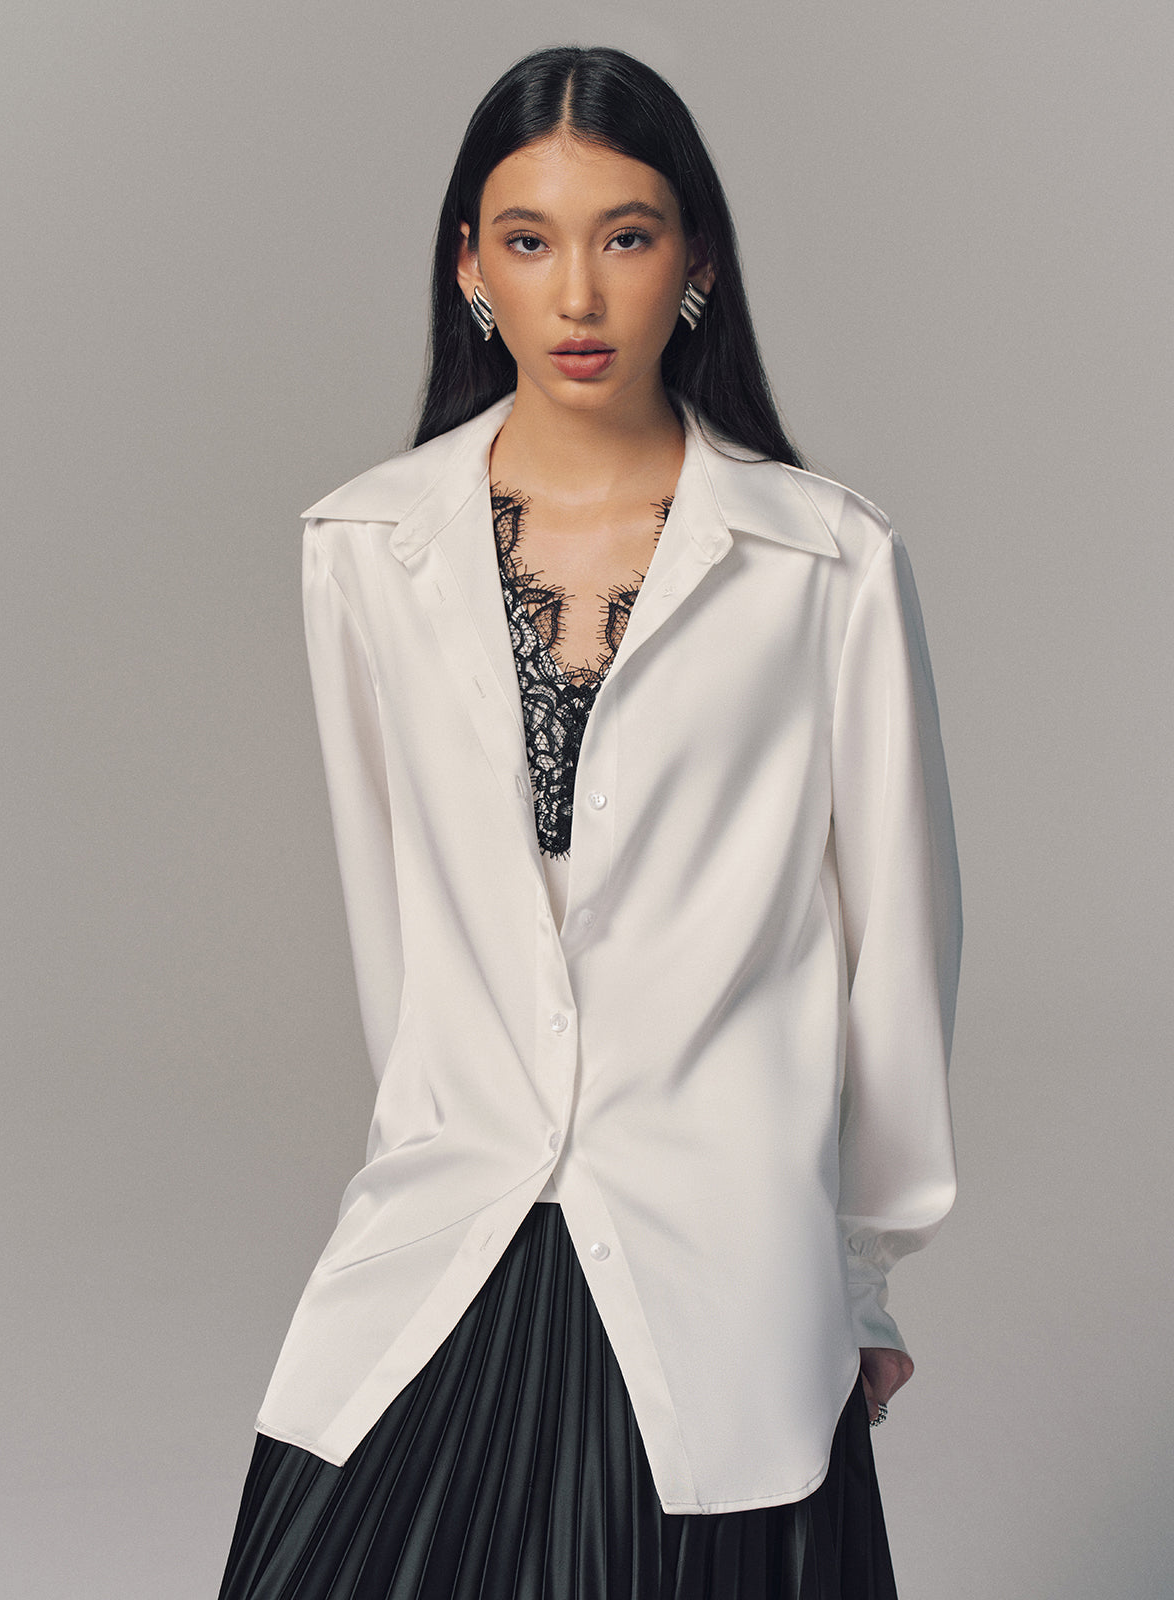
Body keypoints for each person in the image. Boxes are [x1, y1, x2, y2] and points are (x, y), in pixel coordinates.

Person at [217, 44, 960, 1600]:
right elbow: (396, 928)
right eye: (529, 238)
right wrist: (421, 1150)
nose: (577, 294)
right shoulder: (364, 548)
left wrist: (861, 1277)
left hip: (728, 1245)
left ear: (697, 262)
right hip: (456, 1211)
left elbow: (896, 944)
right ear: (469, 266)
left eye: (626, 236)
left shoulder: (826, 562)